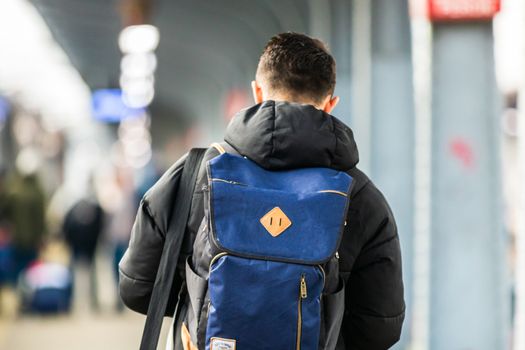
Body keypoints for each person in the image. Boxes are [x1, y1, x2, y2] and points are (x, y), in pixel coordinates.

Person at [119, 32, 405, 349]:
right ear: (330, 104)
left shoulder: (193, 174)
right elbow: (381, 328)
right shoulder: (361, 196)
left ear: (256, 92)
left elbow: (138, 288)